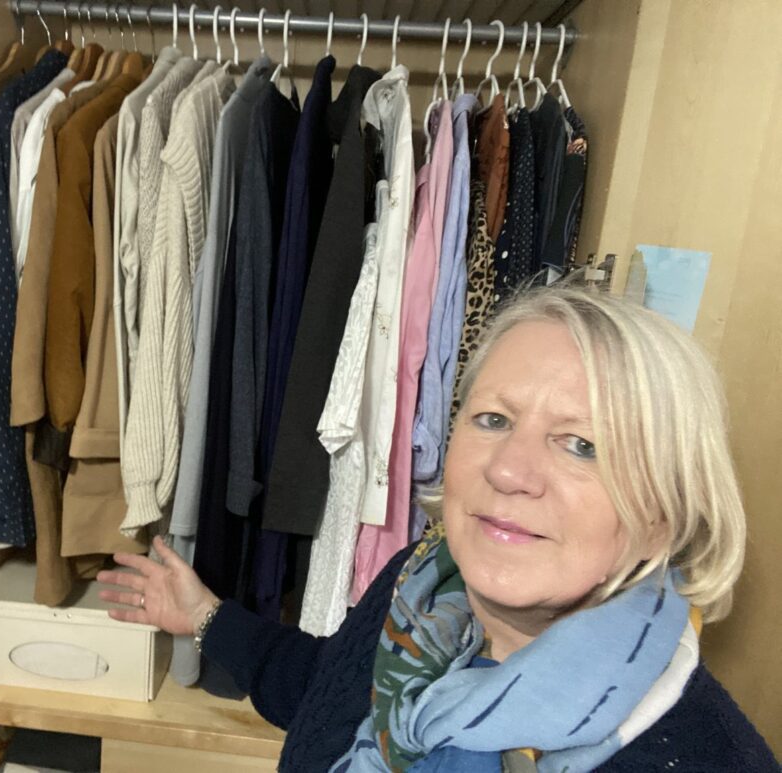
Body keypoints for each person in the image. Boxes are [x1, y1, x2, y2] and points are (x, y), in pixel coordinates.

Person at [97, 286, 777, 771]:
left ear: (661, 518)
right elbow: (329, 695)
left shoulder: (703, 754)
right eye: (493, 419)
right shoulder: (419, 585)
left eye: (581, 445)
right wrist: (206, 616)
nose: (509, 469)